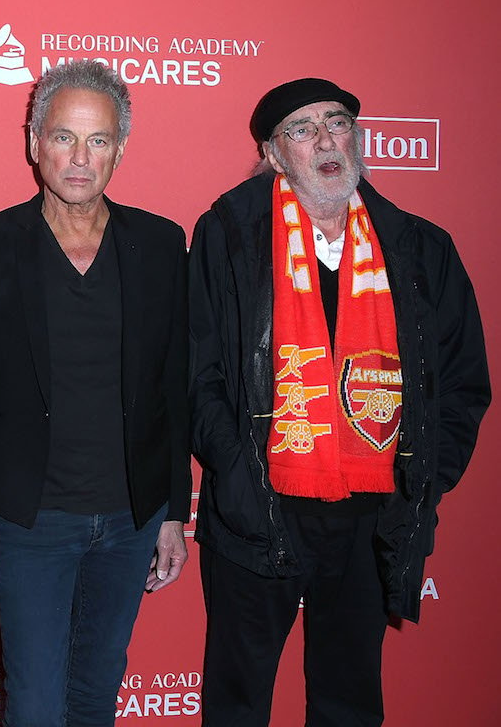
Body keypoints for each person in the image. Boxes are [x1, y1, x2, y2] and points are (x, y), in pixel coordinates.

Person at [190, 77, 490, 726]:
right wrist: (240, 480)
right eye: (302, 129)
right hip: (257, 509)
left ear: (357, 136)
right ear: (273, 155)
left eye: (337, 122)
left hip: (370, 516)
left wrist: (421, 479)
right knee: (236, 703)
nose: (325, 139)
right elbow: (198, 372)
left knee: (348, 703)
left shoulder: (418, 249)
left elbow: (464, 382)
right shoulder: (230, 239)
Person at [0, 61, 191, 727]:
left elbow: (173, 386)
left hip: (131, 518)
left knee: (94, 695)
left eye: (99, 141)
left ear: (120, 148)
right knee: (32, 703)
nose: (80, 159)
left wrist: (172, 510)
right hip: (30, 520)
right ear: (34, 142)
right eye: (64, 138)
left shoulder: (159, 243)